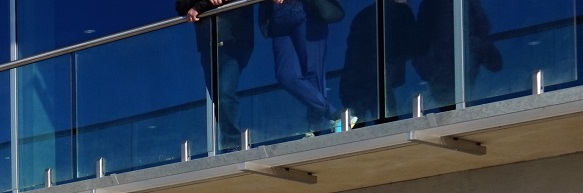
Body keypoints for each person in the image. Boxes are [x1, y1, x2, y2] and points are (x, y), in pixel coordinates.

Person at [177, 0, 256, 152]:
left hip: (233, 42)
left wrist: (199, 6)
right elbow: (180, 6)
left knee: (224, 93)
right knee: (217, 97)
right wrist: (202, 4)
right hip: (208, 46)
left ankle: (234, 143)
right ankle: (230, 144)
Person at [261, 0, 343, 136]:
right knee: (285, 75)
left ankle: (315, 128)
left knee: (311, 71)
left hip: (306, 12)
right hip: (278, 19)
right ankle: (333, 114)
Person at [341, 0, 419, 125]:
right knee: (389, 128)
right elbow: (412, 45)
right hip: (377, 82)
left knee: (355, 132)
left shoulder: (364, 15)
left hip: (353, 83)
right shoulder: (401, 11)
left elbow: (353, 50)